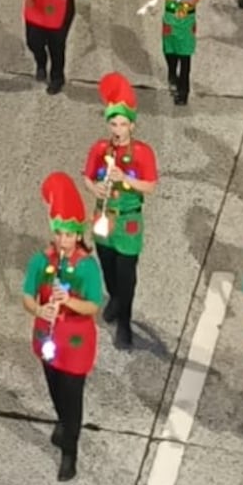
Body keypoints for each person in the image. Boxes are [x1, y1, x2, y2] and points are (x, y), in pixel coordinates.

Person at [22, 171, 103, 481]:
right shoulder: (41, 261)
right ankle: (63, 421)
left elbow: (93, 305)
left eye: (69, 234)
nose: (64, 240)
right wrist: (39, 308)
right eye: (60, 233)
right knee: (54, 387)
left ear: (78, 235)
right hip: (47, 334)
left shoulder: (87, 266)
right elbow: (27, 296)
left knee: (72, 395)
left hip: (76, 340)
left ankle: (71, 449)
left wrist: (68, 300)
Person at [83, 73, 158, 350]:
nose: (117, 129)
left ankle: (124, 323)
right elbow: (88, 176)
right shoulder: (100, 149)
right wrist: (95, 189)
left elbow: (150, 186)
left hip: (128, 221)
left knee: (126, 275)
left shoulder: (143, 152)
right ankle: (114, 298)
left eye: (123, 124)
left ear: (132, 126)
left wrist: (124, 178)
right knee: (107, 267)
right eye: (113, 124)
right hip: (103, 218)